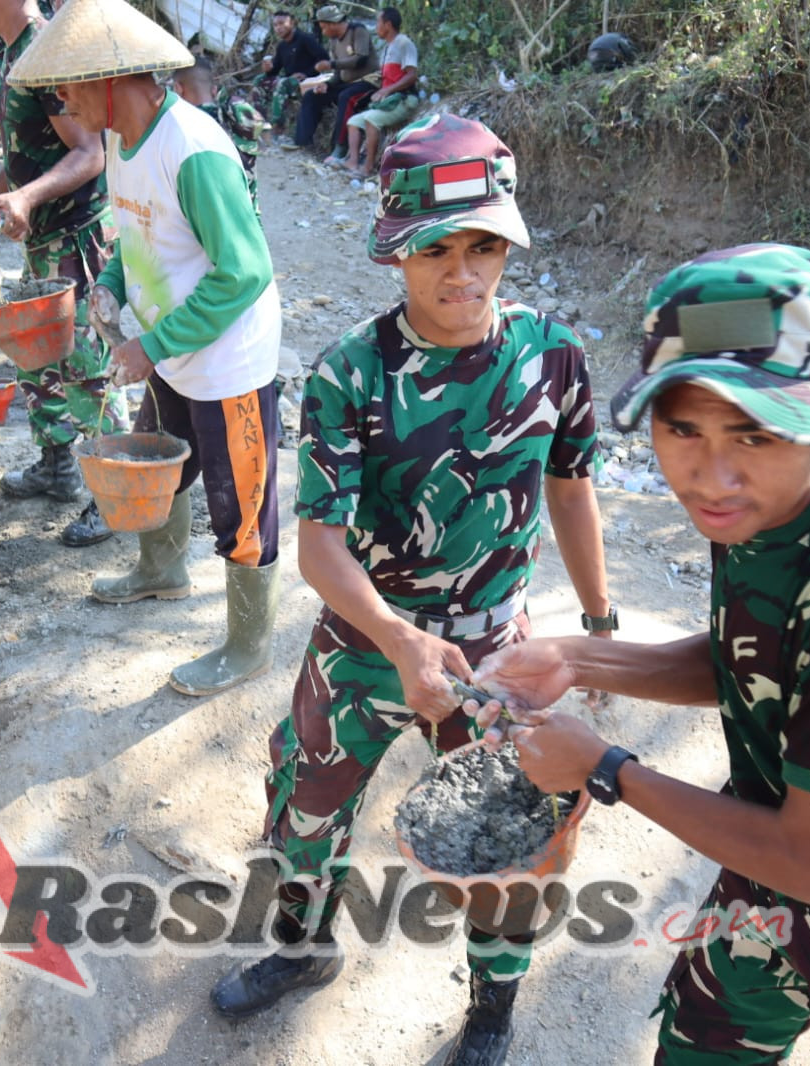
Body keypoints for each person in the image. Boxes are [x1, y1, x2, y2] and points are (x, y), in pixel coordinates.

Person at [472, 243, 810, 1064]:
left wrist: (605, 768)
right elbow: (753, 658)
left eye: (756, 433)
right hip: (766, 877)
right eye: (681, 429)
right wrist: (579, 659)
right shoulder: (762, 514)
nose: (712, 475)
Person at [208, 114, 613, 1066]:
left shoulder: (551, 354)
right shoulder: (351, 372)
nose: (462, 273)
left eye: (484, 247)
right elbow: (318, 547)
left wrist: (598, 629)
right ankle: (303, 950)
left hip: (496, 654)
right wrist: (398, 641)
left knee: (508, 840)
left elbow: (570, 487)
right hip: (364, 640)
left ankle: (491, 1008)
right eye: (435, 249)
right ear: (396, 251)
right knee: (303, 804)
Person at [8, 0, 285, 696]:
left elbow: (245, 272)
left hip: (225, 362)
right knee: (161, 462)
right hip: (168, 349)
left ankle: (248, 646)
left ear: (110, 78)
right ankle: (162, 570)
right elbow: (136, 238)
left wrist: (152, 343)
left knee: (241, 504)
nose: (62, 101)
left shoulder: (193, 151)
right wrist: (108, 284)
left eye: (68, 85)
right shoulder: (121, 143)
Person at [0, 0, 123, 549]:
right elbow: (28, 154)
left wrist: (26, 197)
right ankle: (57, 465)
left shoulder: (48, 51)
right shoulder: (10, 54)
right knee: (37, 352)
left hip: (75, 233)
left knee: (84, 363)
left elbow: (89, 153)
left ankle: (115, 489)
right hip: (45, 236)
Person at [170, 56, 265, 213]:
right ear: (214, 90)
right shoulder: (238, 117)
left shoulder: (177, 129)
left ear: (178, 89)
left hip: (210, 223)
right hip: (248, 220)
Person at [340, 7, 420, 177]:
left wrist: (387, 90)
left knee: (371, 119)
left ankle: (367, 168)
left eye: (378, 22)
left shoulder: (404, 43)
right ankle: (352, 162)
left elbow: (412, 75)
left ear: (388, 25)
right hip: (389, 101)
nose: (376, 26)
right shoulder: (387, 47)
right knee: (353, 122)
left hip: (403, 99)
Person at [292, 4, 376, 160]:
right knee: (312, 96)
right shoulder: (334, 42)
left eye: (324, 27)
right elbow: (338, 73)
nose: (323, 32)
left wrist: (331, 64)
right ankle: (303, 142)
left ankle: (339, 147)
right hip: (347, 83)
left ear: (332, 24)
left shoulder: (358, 30)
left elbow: (361, 59)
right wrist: (328, 84)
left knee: (346, 97)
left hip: (368, 82)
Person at [253, 9, 328, 133]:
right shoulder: (282, 46)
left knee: (282, 83)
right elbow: (275, 70)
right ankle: (259, 121)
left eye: (282, 23)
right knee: (259, 80)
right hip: (290, 81)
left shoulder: (305, 39)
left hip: (309, 81)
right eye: (275, 25)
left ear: (292, 23)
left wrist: (306, 74)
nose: (278, 28)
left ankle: (278, 126)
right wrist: (268, 69)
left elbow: (324, 59)